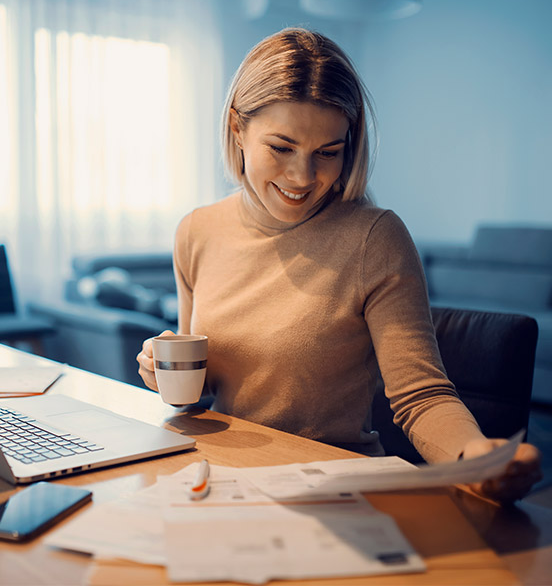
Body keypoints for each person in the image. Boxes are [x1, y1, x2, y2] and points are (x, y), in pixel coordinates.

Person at [137, 27, 541, 503]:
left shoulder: (375, 237)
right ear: (236, 128)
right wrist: (164, 374)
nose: (304, 177)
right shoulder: (196, 231)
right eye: (281, 148)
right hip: (226, 480)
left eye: (328, 153)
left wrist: (477, 458)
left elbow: (421, 396)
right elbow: (199, 392)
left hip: (332, 490)